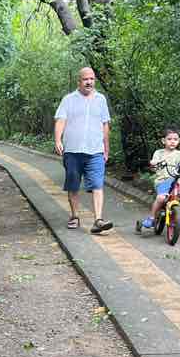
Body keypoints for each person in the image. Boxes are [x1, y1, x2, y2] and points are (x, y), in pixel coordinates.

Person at [54, 67, 113, 234]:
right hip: (72, 151)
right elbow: (60, 120)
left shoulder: (101, 99)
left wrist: (106, 148)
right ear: (79, 81)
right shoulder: (68, 100)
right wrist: (58, 140)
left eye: (92, 79)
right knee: (73, 184)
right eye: (86, 79)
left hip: (95, 151)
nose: (89, 82)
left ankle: (98, 220)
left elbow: (105, 124)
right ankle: (74, 216)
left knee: (97, 184)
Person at [140, 127, 180, 229]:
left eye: (175, 139)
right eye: (169, 139)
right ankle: (152, 218)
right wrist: (154, 163)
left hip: (177, 179)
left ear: (178, 141)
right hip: (163, 180)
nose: (172, 141)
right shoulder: (159, 153)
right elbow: (154, 163)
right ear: (163, 141)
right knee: (161, 198)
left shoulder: (179, 154)